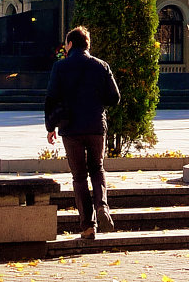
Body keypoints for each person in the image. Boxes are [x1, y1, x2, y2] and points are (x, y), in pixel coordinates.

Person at [44, 26, 120, 240]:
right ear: (88, 45)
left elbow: (51, 99)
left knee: (79, 177)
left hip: (71, 129)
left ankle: (87, 226)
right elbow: (114, 98)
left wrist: (50, 127)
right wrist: (96, 102)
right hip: (96, 126)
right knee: (97, 168)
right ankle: (102, 206)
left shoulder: (60, 67)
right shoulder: (101, 66)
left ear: (69, 45)